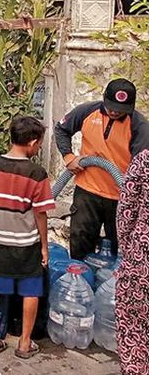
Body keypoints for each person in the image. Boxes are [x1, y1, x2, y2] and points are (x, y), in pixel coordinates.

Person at [0, 116, 54, 360]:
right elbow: (40, 214)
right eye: (39, 143)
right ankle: (25, 343)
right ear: (32, 142)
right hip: (26, 242)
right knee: (31, 289)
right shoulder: (36, 173)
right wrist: (44, 246)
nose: (38, 148)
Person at [54, 78, 149, 259]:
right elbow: (61, 130)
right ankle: (81, 280)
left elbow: (142, 165)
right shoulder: (87, 111)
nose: (114, 112)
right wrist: (68, 157)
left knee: (120, 247)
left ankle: (113, 286)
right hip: (87, 191)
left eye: (120, 110)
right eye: (111, 106)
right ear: (104, 98)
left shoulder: (140, 126)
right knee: (80, 240)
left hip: (122, 198)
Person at [115, 149, 149, 374]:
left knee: (135, 324)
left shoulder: (145, 160)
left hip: (142, 259)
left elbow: (126, 211)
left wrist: (129, 251)